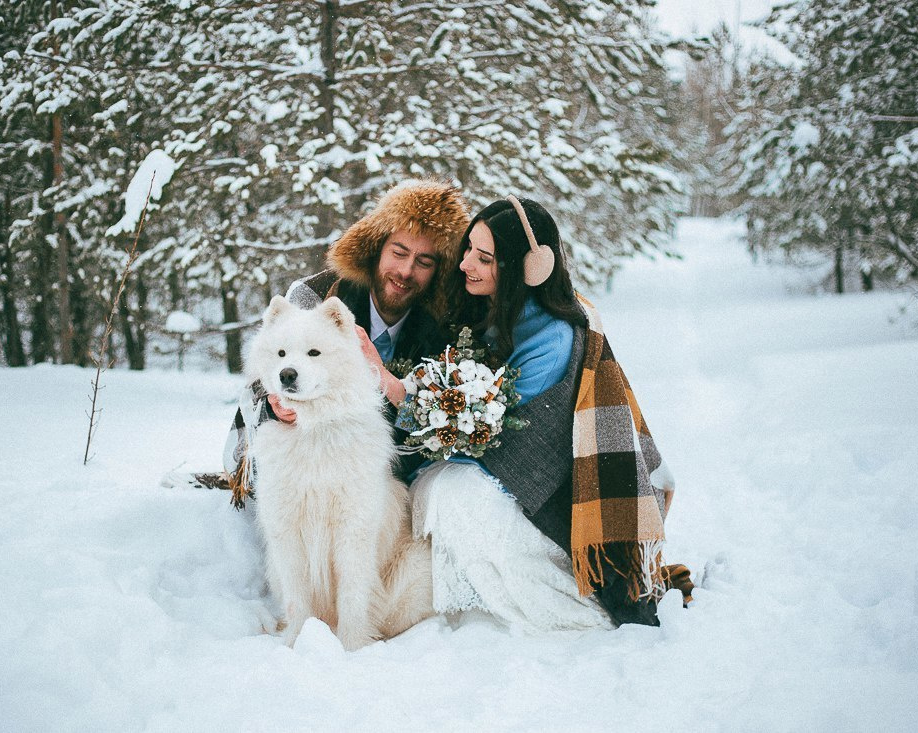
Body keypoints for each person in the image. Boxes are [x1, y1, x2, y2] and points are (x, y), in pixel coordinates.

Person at [374, 196, 692, 629]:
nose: (465, 263)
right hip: (494, 472)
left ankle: (555, 607)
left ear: (528, 268)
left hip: (549, 500)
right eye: (468, 249)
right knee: (437, 488)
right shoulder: (488, 309)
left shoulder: (553, 339)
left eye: (484, 258)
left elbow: (498, 437)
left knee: (454, 494)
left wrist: (403, 397)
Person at [221, 179, 470, 498]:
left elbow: (439, 423)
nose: (406, 271)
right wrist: (275, 404)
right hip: (299, 465)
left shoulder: (445, 327)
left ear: (439, 271)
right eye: (399, 252)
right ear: (376, 247)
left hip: (388, 478)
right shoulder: (315, 295)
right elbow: (262, 376)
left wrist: (387, 381)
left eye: (424, 262)